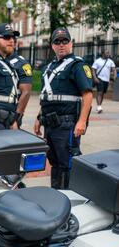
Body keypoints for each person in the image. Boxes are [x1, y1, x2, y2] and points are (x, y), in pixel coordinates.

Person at [34, 28, 93, 189]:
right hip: (50, 125)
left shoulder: (77, 65)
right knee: (54, 161)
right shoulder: (49, 67)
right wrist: (39, 118)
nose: (61, 45)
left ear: (71, 43)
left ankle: (69, 199)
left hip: (67, 125)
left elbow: (87, 95)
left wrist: (82, 122)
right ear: (52, 46)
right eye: (57, 42)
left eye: (65, 41)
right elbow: (47, 96)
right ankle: (56, 194)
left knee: (67, 163)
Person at [7, 38, 33, 128]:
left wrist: (16, 118)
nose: (10, 42)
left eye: (12, 40)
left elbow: (26, 92)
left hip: (11, 114)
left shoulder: (21, 63)